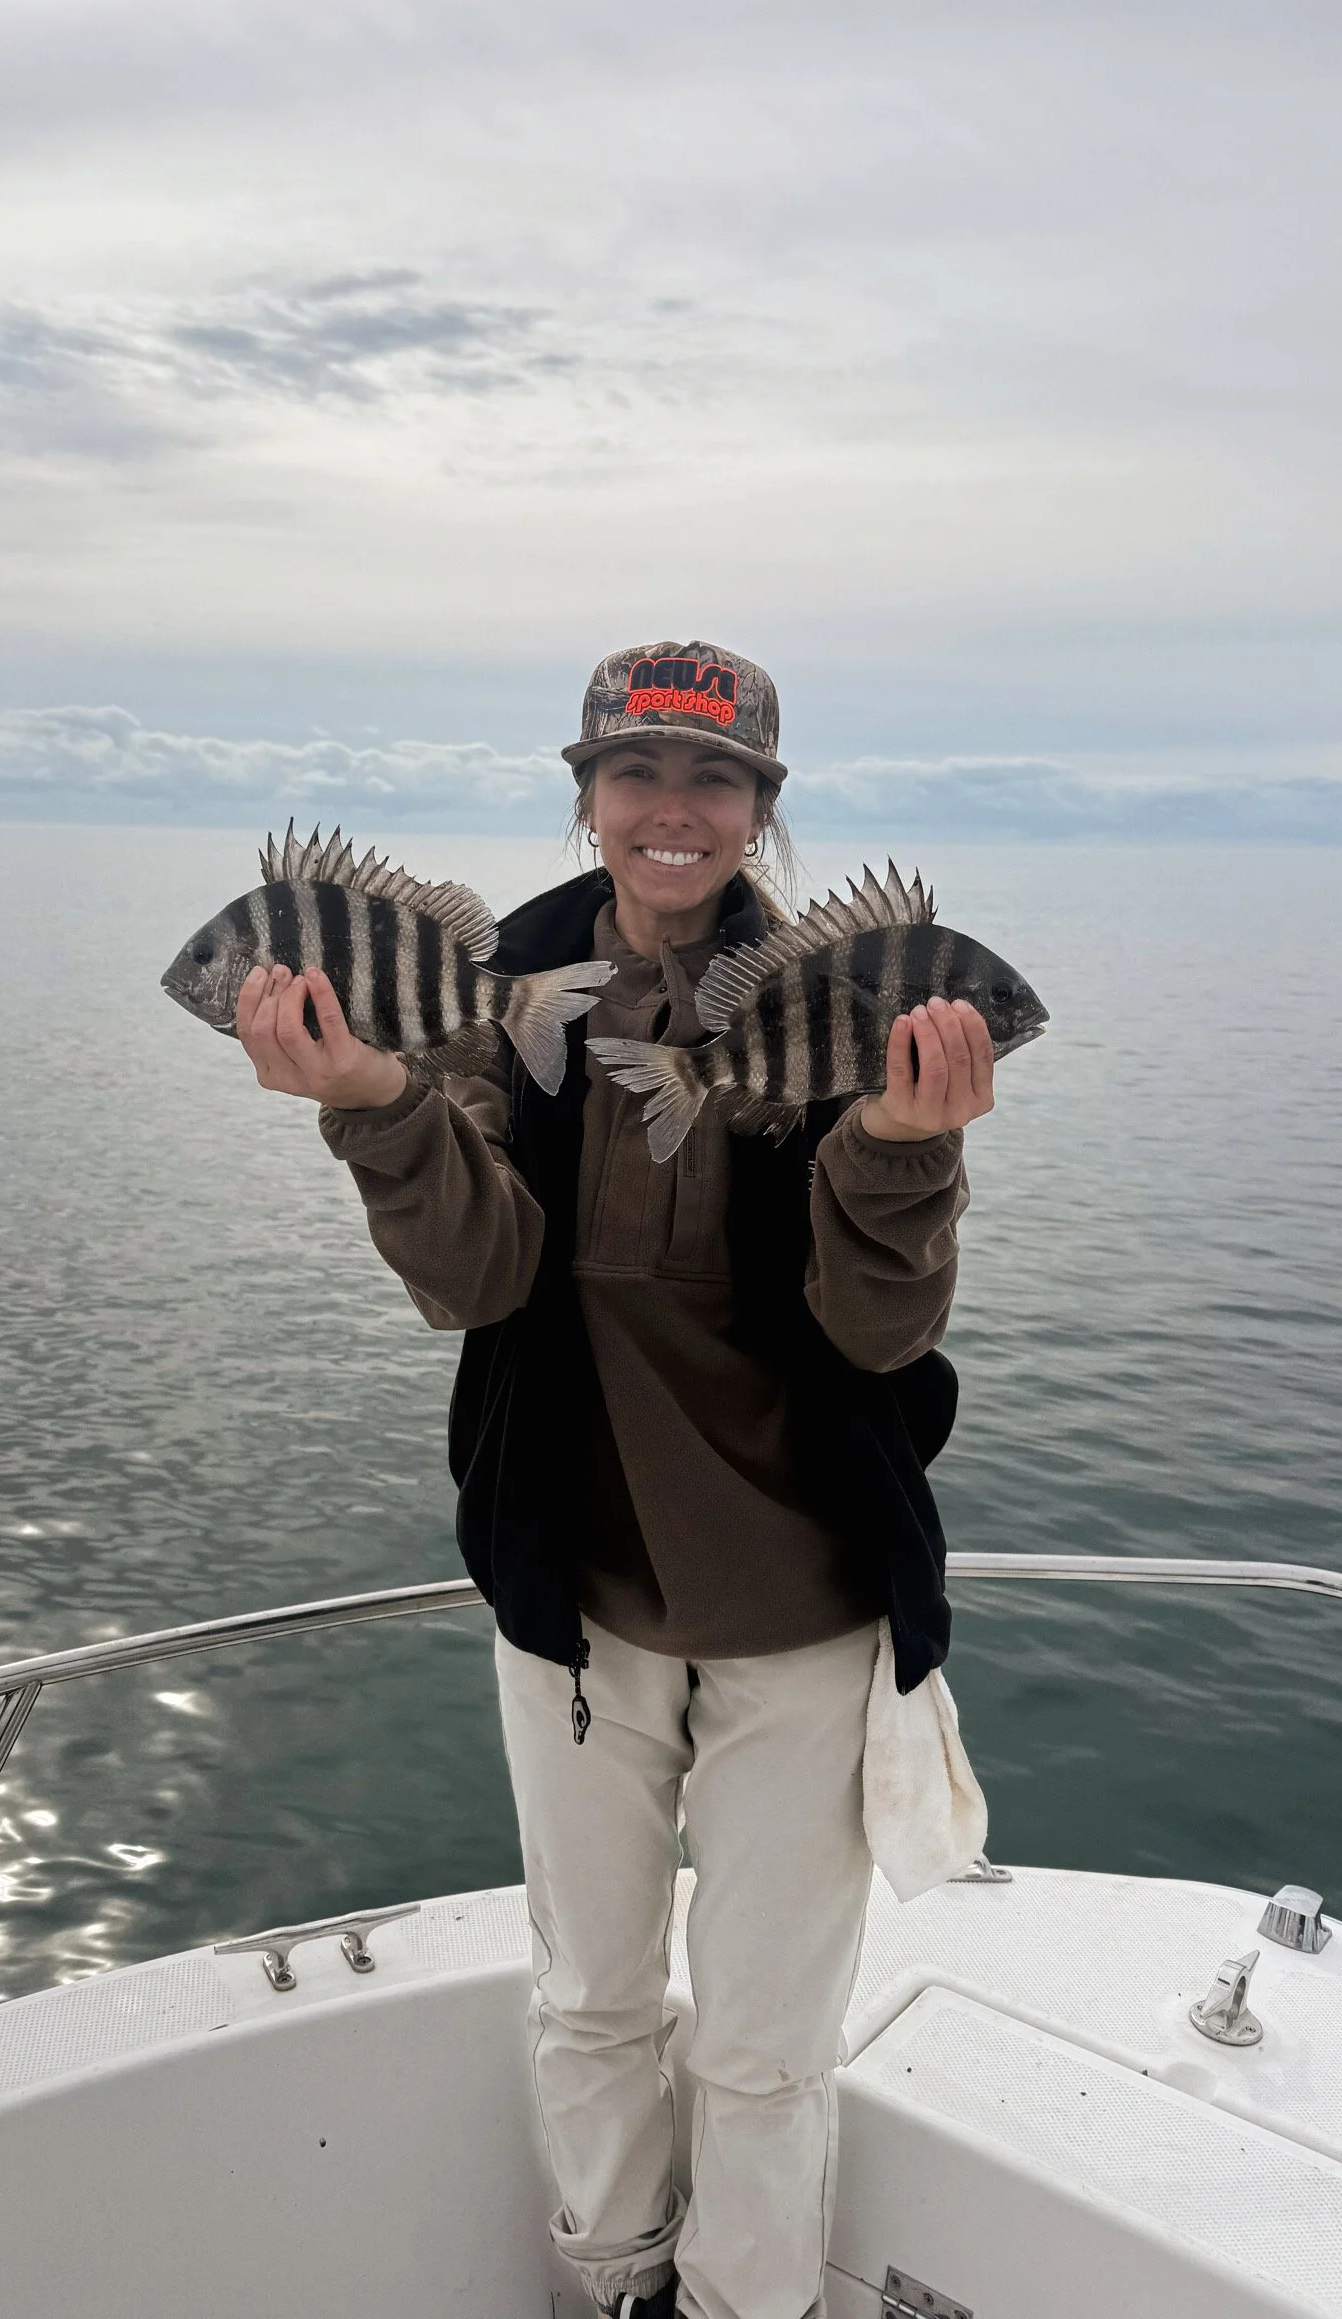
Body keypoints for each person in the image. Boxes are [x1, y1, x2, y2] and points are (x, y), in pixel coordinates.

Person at [233, 642, 994, 2319]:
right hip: (569, 1595)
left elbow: (879, 1336)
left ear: (761, 812)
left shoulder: (848, 1001)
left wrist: (899, 1149)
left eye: (714, 779)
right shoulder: (486, 990)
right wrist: (369, 1103)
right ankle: (612, 2284)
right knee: (586, 1994)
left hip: (805, 1608)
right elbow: (478, 1280)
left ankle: (745, 2308)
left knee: (764, 2041)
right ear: (584, 795)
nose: (673, 809)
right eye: (637, 772)